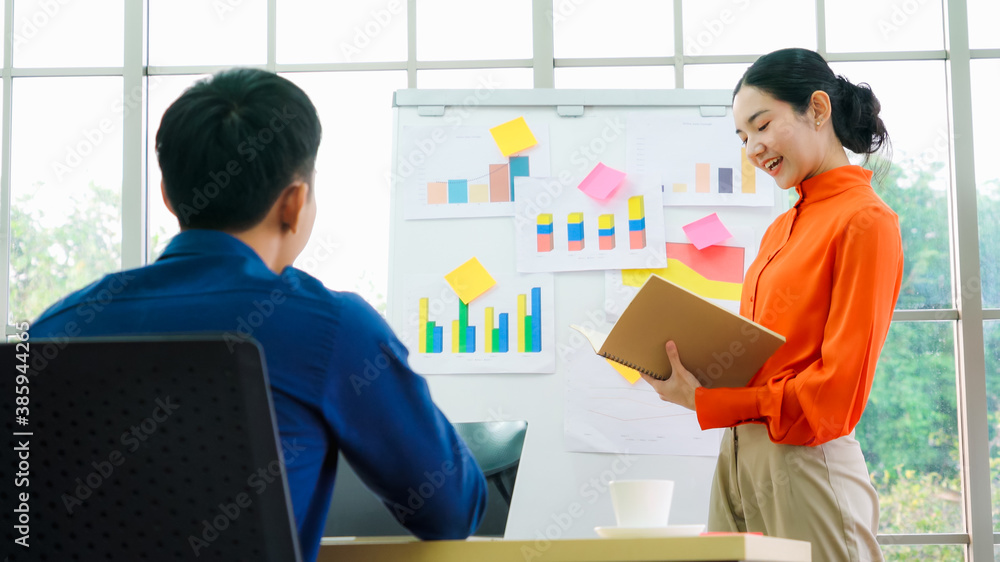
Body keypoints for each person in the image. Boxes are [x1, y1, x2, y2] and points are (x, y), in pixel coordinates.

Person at [30, 68, 487, 561]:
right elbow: (450, 512)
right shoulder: (330, 328)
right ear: (295, 202)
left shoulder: (56, 326)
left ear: (167, 195)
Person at [641, 48, 903, 562]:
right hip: (738, 459)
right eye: (743, 138)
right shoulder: (779, 230)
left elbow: (835, 397)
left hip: (807, 465)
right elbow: (764, 361)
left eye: (762, 126)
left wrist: (709, 403)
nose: (754, 149)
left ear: (819, 109)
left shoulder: (866, 221)